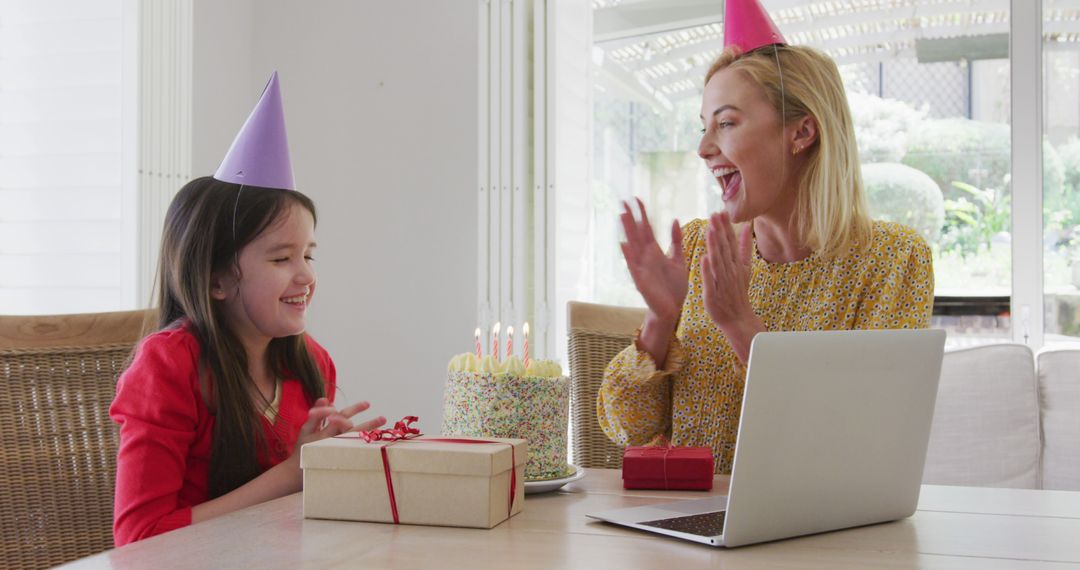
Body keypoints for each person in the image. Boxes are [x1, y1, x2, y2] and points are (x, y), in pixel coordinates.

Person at [597, 0, 934, 474]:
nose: (703, 147)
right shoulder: (696, 248)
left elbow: (864, 436)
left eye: (727, 123)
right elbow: (624, 429)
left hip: (819, 533)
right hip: (686, 528)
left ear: (802, 132)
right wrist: (659, 320)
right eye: (704, 126)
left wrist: (740, 327)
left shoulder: (892, 260)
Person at [110, 73, 385, 545]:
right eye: (281, 258)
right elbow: (138, 536)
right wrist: (292, 472)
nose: (306, 276)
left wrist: (336, 465)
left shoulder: (310, 363)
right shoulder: (168, 367)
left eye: (309, 254)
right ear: (216, 279)